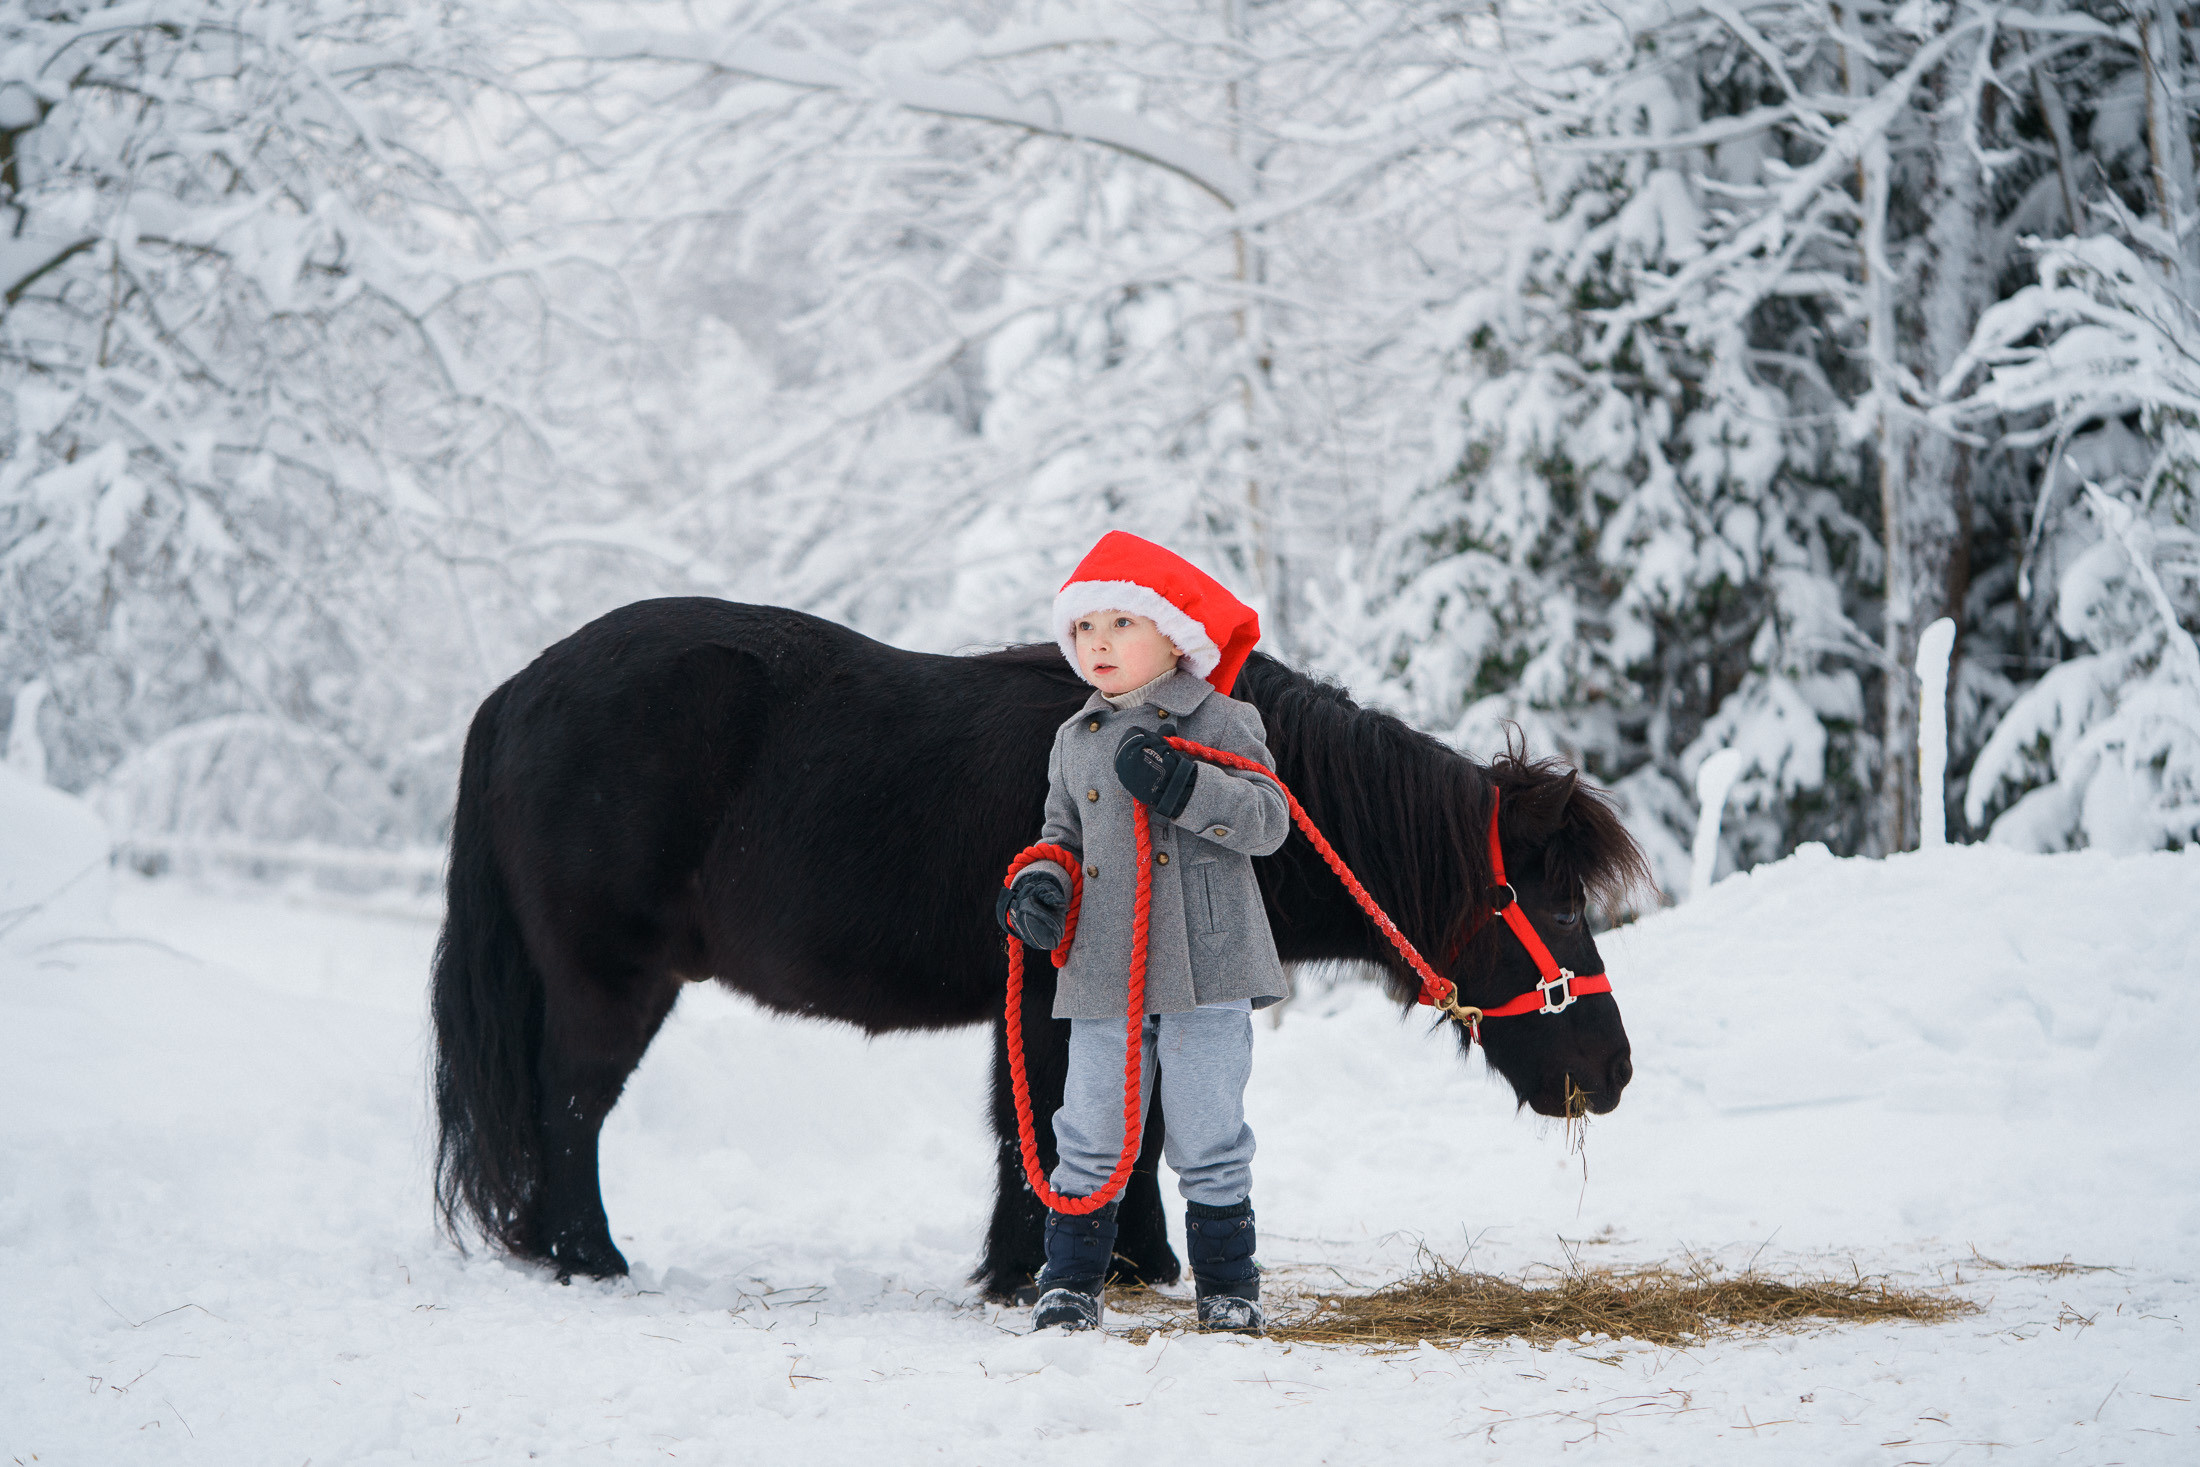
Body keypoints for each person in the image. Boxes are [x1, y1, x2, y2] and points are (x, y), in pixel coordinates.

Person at [994, 530, 1292, 1334]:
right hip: (1103, 970)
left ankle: (1229, 1285)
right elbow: (1058, 833)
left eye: (1122, 623)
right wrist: (1039, 886)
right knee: (1088, 1126)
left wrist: (1190, 786)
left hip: (1208, 964)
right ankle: (1071, 1280)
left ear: (1174, 635)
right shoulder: (1073, 741)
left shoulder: (1225, 720)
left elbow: (1269, 821)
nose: (1098, 643)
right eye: (1085, 628)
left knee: (1207, 1132)